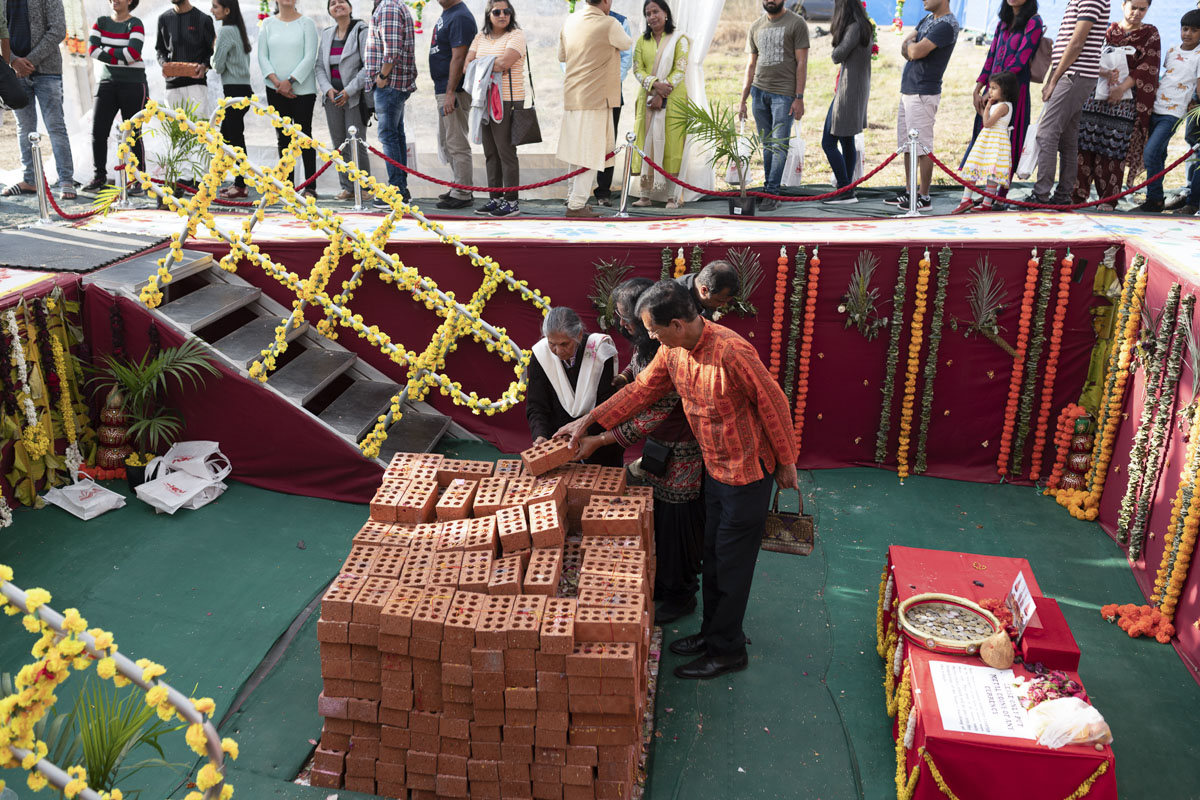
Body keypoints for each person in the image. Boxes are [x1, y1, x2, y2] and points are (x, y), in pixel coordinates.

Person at [558, 280, 799, 681]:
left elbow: (773, 403)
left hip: (747, 473)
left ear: (677, 323)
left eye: (653, 330)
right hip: (715, 469)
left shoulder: (732, 352)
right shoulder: (673, 351)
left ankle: (727, 650)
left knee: (732, 565)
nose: (650, 337)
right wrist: (587, 420)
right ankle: (711, 634)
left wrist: (787, 463)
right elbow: (639, 391)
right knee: (715, 558)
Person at [577, 278, 704, 624]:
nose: (620, 325)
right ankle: (663, 583)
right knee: (658, 520)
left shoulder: (671, 346)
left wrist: (600, 439)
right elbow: (638, 370)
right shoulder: (648, 343)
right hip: (657, 450)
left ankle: (682, 595)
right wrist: (621, 381)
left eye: (624, 319)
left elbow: (651, 414)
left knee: (677, 525)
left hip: (683, 453)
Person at [1071, 0, 1159, 209]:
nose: (1137, 13)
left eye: (1142, 9)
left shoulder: (1150, 34)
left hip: (1125, 102)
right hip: (1095, 98)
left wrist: (1121, 88)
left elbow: (1147, 66)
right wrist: (1106, 75)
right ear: (1123, 5)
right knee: (1083, 146)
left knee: (1113, 148)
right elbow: (1091, 56)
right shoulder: (1109, 30)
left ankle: (1108, 200)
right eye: (1133, 8)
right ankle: (1076, 196)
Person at [1029, 0, 1111, 206]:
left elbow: (1076, 43)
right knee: (1067, 138)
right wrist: (1052, 78)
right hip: (1074, 74)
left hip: (1074, 74)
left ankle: (1041, 195)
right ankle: (1063, 196)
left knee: (1046, 133)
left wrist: (1054, 79)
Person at [557, 0, 633, 218]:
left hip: (573, 96)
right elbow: (626, 43)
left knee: (576, 153)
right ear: (607, 1)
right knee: (590, 154)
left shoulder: (569, 21)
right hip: (596, 98)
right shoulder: (609, 24)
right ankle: (576, 205)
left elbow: (561, 56)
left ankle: (573, 199)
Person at [884, 0, 959, 212]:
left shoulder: (946, 24)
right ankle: (910, 192)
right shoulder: (927, 19)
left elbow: (915, 51)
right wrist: (911, 46)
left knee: (922, 146)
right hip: (909, 90)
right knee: (907, 145)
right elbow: (906, 45)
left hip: (923, 92)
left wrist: (912, 47)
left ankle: (923, 197)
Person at [965, 0, 1043, 203]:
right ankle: (980, 194)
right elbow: (991, 56)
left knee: (1009, 141)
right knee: (985, 137)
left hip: (1014, 92)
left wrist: (993, 92)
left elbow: (1020, 60)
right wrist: (979, 87)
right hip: (992, 90)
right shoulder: (1003, 22)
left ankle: (1001, 196)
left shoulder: (1033, 22)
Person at [525, 307, 623, 468]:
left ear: (578, 335)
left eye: (564, 344)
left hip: (597, 440)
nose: (558, 351)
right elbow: (537, 404)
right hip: (559, 443)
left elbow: (608, 404)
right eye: (552, 344)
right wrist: (541, 434)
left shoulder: (599, 351)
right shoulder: (541, 354)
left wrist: (586, 432)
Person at [738, 0, 810, 212]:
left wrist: (799, 97)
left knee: (779, 144)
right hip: (758, 93)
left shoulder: (797, 23)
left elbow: (802, 63)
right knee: (767, 145)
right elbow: (751, 64)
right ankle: (769, 189)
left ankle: (772, 192)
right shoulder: (756, 26)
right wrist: (743, 98)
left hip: (784, 96)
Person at [3, 0, 76, 200]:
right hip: (15, 72)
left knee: (55, 127)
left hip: (47, 71)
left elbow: (58, 30)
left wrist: (29, 61)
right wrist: (13, 61)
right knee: (24, 128)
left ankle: (66, 181)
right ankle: (30, 180)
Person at [465, 0, 526, 218]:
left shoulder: (516, 35)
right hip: (484, 100)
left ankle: (511, 202)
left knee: (506, 152)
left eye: (507, 11)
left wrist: (481, 63)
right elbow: (467, 65)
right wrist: (489, 63)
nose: (503, 15)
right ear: (488, 15)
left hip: (508, 101)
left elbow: (504, 64)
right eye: (497, 11)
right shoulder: (480, 37)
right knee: (490, 152)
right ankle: (495, 198)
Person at [1136, 8, 1200, 212]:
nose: (1188, 34)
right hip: (1155, 108)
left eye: (1195, 30)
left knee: (1151, 152)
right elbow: (1166, 76)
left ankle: (1154, 198)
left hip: (1174, 113)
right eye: (1185, 28)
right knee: (1158, 155)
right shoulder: (1172, 50)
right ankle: (1155, 198)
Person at [84, 0, 149, 195]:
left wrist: (107, 53)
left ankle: (139, 179)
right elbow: (91, 50)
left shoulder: (135, 23)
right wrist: (120, 56)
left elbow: (133, 53)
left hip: (134, 84)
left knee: (134, 133)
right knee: (98, 131)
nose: (114, 0)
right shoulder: (101, 22)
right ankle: (99, 176)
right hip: (107, 83)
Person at [631, 0, 689, 210]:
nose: (652, 17)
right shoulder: (641, 42)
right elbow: (637, 69)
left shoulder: (679, 39)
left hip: (673, 100)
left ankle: (672, 197)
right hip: (647, 100)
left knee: (672, 145)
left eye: (655, 11)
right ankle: (645, 195)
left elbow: (680, 68)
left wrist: (663, 93)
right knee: (647, 144)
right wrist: (655, 86)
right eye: (647, 13)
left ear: (666, 13)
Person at [258, 0, 320, 198]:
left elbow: (310, 56)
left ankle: (310, 186)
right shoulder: (267, 24)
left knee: (304, 136)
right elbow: (262, 56)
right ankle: (287, 185)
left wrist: (291, 81)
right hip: (275, 89)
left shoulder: (307, 24)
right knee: (283, 137)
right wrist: (278, 82)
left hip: (303, 89)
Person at [316, 0, 372, 201]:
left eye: (342, 2)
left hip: (354, 98)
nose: (337, 5)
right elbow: (320, 67)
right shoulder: (326, 33)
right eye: (333, 3)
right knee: (338, 144)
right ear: (329, 11)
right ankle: (348, 187)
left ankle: (364, 187)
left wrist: (348, 91)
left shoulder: (361, 30)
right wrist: (328, 89)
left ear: (350, 7)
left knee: (357, 143)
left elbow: (368, 66)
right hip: (332, 99)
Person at [364, 0, 417, 207]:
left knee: (388, 136)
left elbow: (392, 49)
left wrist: (382, 75)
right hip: (393, 84)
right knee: (395, 135)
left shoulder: (388, 7)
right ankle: (401, 188)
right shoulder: (392, 6)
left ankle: (396, 190)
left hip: (390, 83)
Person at [427, 0, 476, 210]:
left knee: (457, 141)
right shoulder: (448, 13)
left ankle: (463, 192)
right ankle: (458, 184)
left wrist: (450, 92)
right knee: (449, 141)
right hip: (445, 88)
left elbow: (459, 57)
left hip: (454, 90)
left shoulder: (460, 16)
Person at [822, 0, 872, 204]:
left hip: (848, 91)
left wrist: (837, 33)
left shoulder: (854, 28)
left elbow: (837, 55)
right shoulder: (864, 25)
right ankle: (848, 188)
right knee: (847, 140)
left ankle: (844, 189)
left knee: (828, 142)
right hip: (856, 89)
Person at [953, 72, 1017, 213]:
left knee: (992, 172)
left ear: (1005, 89)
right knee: (973, 166)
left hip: (995, 140)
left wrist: (987, 107)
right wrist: (986, 109)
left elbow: (987, 123)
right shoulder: (999, 105)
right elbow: (988, 119)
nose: (990, 91)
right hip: (987, 139)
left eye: (994, 88)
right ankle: (968, 200)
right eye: (990, 87)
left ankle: (984, 202)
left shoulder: (1003, 106)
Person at [211, 0, 252, 199]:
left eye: (215, 6)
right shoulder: (238, 29)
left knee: (234, 139)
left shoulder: (226, 31)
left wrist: (213, 49)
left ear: (227, 10)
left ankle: (241, 184)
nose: (212, 10)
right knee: (229, 136)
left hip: (235, 90)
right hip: (242, 89)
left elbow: (217, 66)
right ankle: (237, 182)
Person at [593, 5, 633, 208]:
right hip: (587, 92)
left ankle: (603, 191)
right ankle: (576, 192)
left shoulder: (620, 21)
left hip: (611, 92)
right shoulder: (579, 20)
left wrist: (612, 82)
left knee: (608, 142)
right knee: (584, 140)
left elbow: (627, 56)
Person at [156, 0, 216, 114]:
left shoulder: (203, 19)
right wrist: (164, 64)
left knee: (197, 128)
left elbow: (212, 52)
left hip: (196, 86)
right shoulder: (163, 19)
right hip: (172, 86)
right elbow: (160, 50)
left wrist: (204, 66)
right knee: (174, 130)